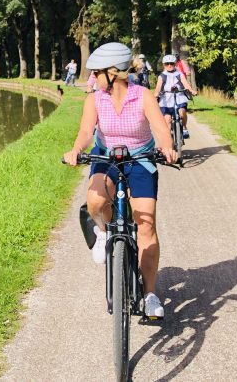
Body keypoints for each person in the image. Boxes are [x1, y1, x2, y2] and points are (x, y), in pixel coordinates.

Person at [63, 42, 177, 319]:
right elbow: (86, 131)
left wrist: (168, 147)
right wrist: (77, 149)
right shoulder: (95, 98)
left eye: (96, 73)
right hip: (106, 155)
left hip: (140, 157)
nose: (92, 78)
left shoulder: (143, 96)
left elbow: (160, 128)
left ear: (112, 73)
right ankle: (103, 233)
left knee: (146, 224)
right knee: (95, 201)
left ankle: (150, 294)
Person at [154, 54, 198, 139]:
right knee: (167, 120)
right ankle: (170, 140)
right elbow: (158, 88)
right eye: (167, 64)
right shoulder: (161, 76)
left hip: (179, 97)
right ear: (164, 65)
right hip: (166, 100)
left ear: (175, 64)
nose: (169, 65)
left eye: (171, 63)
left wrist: (191, 90)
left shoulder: (179, 74)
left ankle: (184, 127)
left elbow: (186, 84)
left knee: (182, 112)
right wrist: (155, 95)